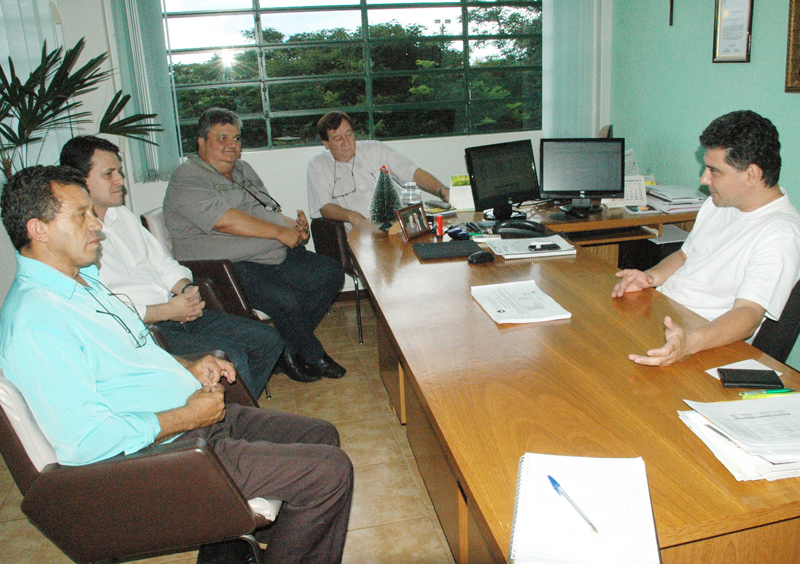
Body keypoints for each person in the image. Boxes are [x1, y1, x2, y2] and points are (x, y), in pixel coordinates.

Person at [0, 166, 353, 564]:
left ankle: (230, 550)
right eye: (81, 214)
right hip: (164, 456)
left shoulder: (83, 284)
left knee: (322, 436)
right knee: (329, 473)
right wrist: (185, 417)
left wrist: (185, 369)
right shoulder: (37, 321)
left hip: (191, 424)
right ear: (38, 229)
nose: (97, 223)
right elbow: (86, 443)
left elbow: (130, 359)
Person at [59, 135, 298, 396]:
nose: (120, 180)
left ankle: (231, 411)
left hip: (177, 312)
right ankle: (224, 420)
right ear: (79, 180)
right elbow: (103, 309)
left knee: (267, 340)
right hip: (142, 330)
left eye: (120, 171)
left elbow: (162, 262)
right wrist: (166, 310)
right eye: (109, 174)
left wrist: (185, 289)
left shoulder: (122, 216)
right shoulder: (73, 240)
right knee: (231, 355)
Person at [164, 108, 346, 381]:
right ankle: (312, 354)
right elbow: (225, 221)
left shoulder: (242, 170)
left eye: (236, 139)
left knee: (330, 273)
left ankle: (285, 350)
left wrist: (292, 226)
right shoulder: (187, 177)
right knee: (287, 301)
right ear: (201, 143)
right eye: (222, 138)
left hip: (266, 251)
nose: (231, 145)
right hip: (224, 267)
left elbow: (261, 209)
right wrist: (279, 233)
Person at [612, 110, 800, 367]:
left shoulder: (781, 233)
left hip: (704, 343)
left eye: (714, 171)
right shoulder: (717, 203)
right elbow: (685, 255)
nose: (704, 179)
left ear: (751, 175)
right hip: (668, 316)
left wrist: (690, 341)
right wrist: (650, 277)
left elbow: (748, 315)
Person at [307, 110, 449, 226]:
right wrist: (352, 216)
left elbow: (412, 172)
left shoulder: (374, 149)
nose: (346, 143)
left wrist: (443, 191)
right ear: (325, 143)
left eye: (349, 134)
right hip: (364, 233)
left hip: (403, 223)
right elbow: (325, 207)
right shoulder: (318, 164)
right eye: (338, 139)